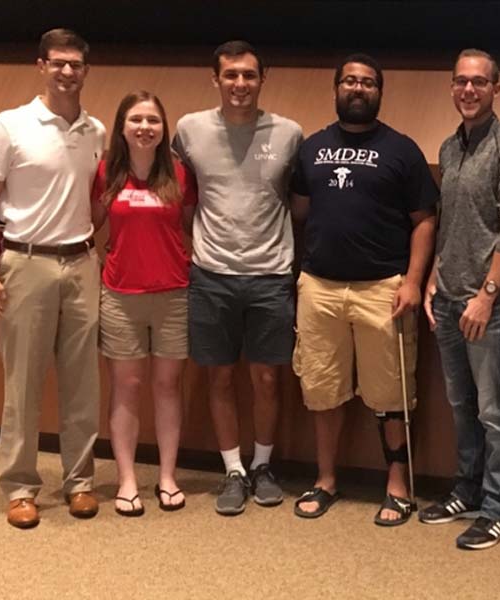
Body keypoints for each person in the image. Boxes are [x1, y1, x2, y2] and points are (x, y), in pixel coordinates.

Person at [290, 53, 437, 526]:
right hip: (320, 287)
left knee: (390, 394)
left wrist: (413, 281)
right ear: (336, 89)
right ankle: (326, 479)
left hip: (384, 288)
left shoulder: (402, 150)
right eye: (350, 81)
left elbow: (425, 221)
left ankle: (397, 486)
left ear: (379, 92)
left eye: (368, 83)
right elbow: (299, 211)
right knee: (323, 390)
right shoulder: (311, 148)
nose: (358, 88)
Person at [0, 28, 105, 528]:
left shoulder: (95, 130)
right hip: (25, 263)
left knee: (82, 384)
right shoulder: (10, 125)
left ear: (86, 69)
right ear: (41, 66)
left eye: (76, 63)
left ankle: (79, 482)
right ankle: (20, 486)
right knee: (23, 382)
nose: (68, 72)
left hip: (81, 263)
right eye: (58, 63)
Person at [172, 40, 303, 515]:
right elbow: (180, 196)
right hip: (211, 274)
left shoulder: (289, 133)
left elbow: (299, 201)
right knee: (220, 378)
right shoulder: (188, 130)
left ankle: (263, 465)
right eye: (230, 75)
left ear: (262, 78)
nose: (240, 84)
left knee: (268, 378)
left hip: (270, 275)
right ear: (216, 79)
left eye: (249, 75)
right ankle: (233, 470)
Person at [418, 49, 500, 550]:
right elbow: (452, 221)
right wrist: (434, 277)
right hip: (447, 299)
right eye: (461, 82)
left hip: (490, 306)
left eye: (479, 83)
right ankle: (467, 488)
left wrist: (487, 295)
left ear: (495, 89)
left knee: (493, 410)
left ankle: (499, 507)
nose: (469, 90)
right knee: (461, 405)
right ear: (452, 87)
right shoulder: (449, 147)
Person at [91, 91, 197, 516]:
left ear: (163, 128)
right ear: (121, 127)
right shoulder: (105, 173)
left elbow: (192, 226)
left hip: (173, 293)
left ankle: (167, 476)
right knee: (127, 387)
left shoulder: (180, 174)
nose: (144, 127)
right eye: (135, 119)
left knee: (168, 386)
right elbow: (88, 225)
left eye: (153, 120)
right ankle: (128, 479)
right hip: (120, 296)